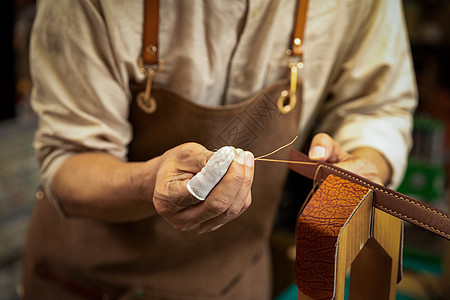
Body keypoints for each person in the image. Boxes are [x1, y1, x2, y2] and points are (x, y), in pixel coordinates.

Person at [21, 0, 417, 299]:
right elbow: (69, 159)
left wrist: (366, 159)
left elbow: (377, 107)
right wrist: (147, 182)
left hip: (232, 280)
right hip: (87, 280)